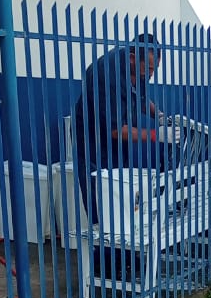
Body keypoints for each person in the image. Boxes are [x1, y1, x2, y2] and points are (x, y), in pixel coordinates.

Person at [72, 33, 178, 225]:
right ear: (132, 59)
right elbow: (115, 130)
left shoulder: (140, 69)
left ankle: (125, 249)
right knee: (99, 196)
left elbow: (142, 99)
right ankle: (103, 250)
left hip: (117, 143)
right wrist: (157, 134)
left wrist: (160, 116)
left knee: (122, 191)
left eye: (155, 70)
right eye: (150, 69)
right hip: (92, 141)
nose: (151, 75)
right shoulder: (105, 75)